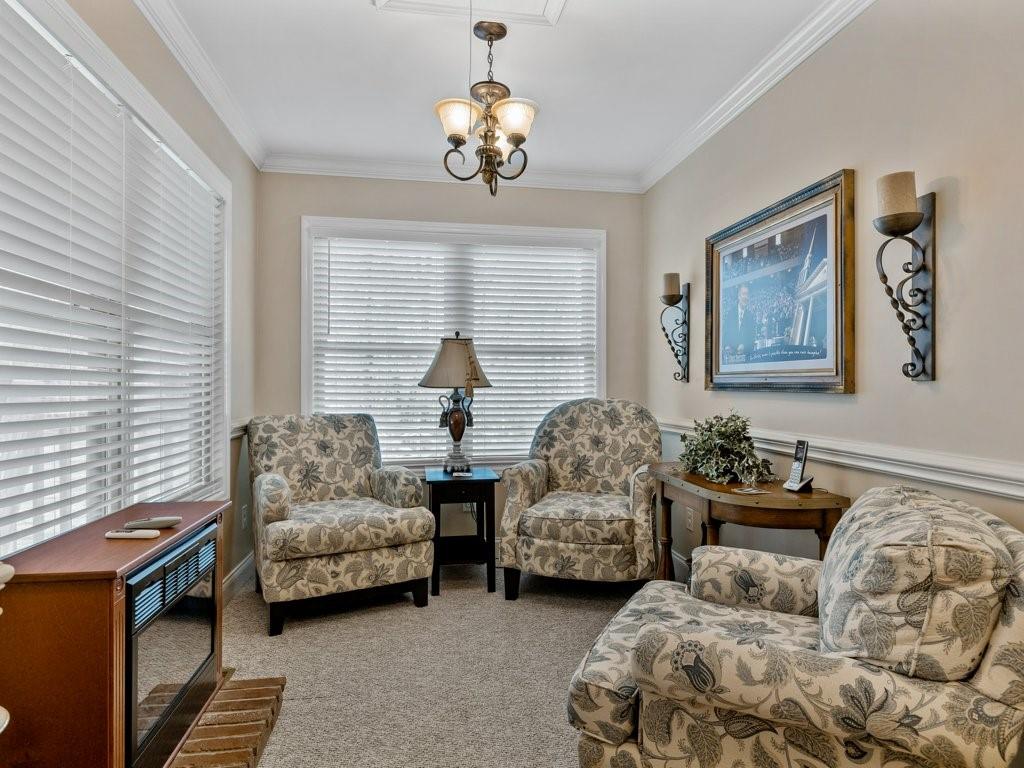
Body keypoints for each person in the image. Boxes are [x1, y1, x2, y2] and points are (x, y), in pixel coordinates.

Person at [723, 284, 757, 359]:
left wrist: (744, 346)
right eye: (744, 294)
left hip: (745, 357)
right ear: (739, 296)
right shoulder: (730, 314)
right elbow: (725, 333)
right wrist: (726, 346)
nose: (746, 297)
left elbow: (752, 338)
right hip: (730, 357)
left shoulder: (750, 317)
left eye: (747, 294)